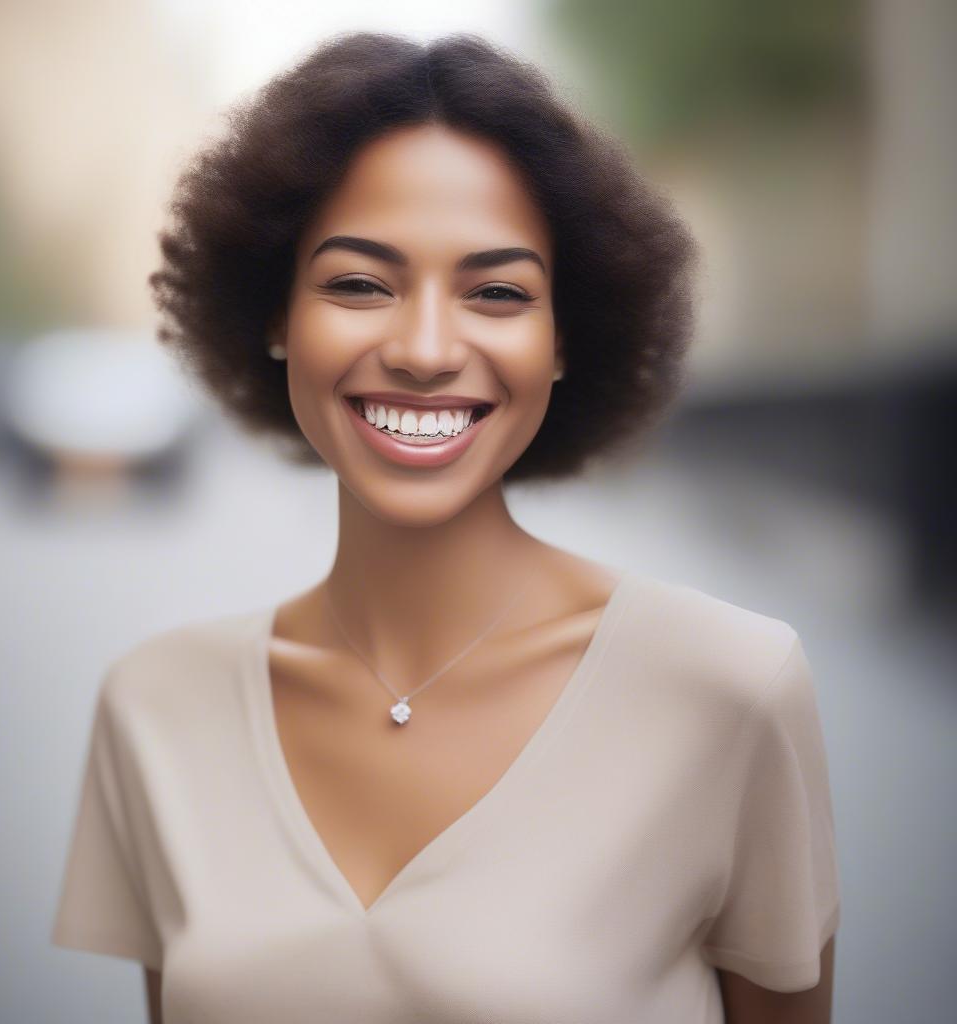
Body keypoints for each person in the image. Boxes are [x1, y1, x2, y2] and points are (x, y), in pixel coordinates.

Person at [50, 31, 840, 1024]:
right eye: (357, 284)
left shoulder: (730, 689)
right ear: (275, 316)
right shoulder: (155, 708)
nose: (424, 348)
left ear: (563, 339)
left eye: (497, 293)